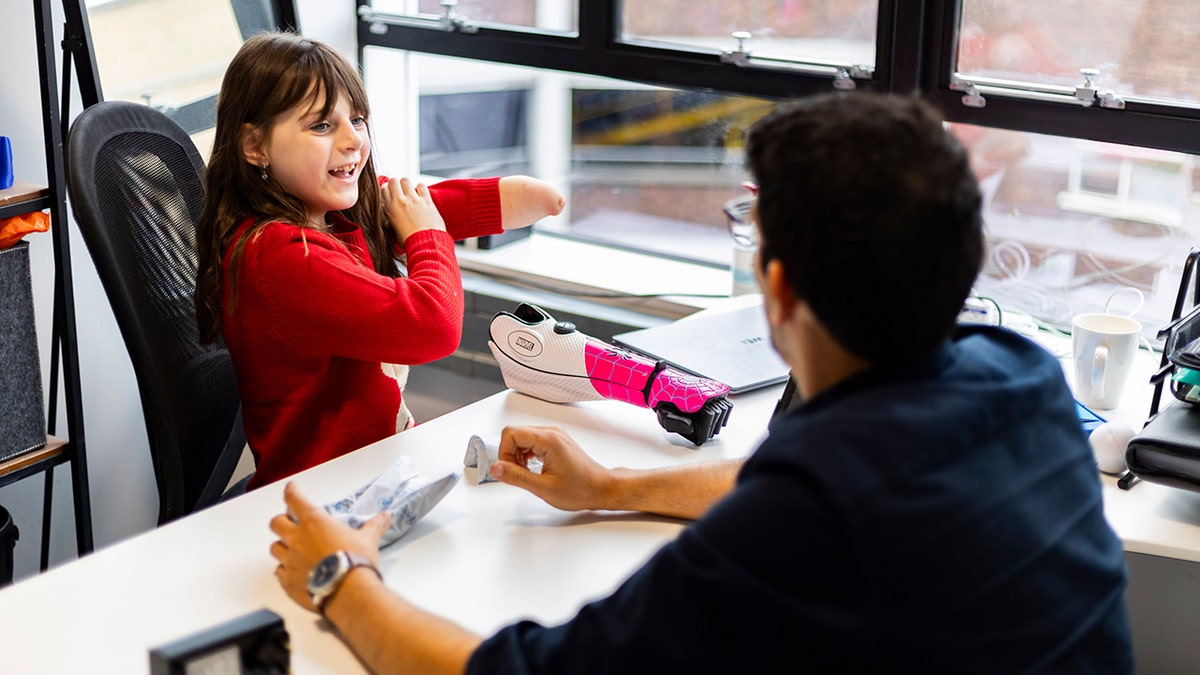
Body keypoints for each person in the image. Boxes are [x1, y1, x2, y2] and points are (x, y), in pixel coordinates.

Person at [269, 92, 1134, 673]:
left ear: (781, 287)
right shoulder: (1019, 378)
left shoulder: (797, 518)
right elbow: (795, 490)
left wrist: (342, 579)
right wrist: (609, 486)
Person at [194, 32, 565, 490]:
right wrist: (428, 236)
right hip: (324, 494)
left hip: (376, 468)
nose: (354, 140)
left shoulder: (328, 213)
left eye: (357, 119)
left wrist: (510, 200)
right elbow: (435, 326)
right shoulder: (281, 257)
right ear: (255, 146)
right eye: (321, 126)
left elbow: (405, 203)